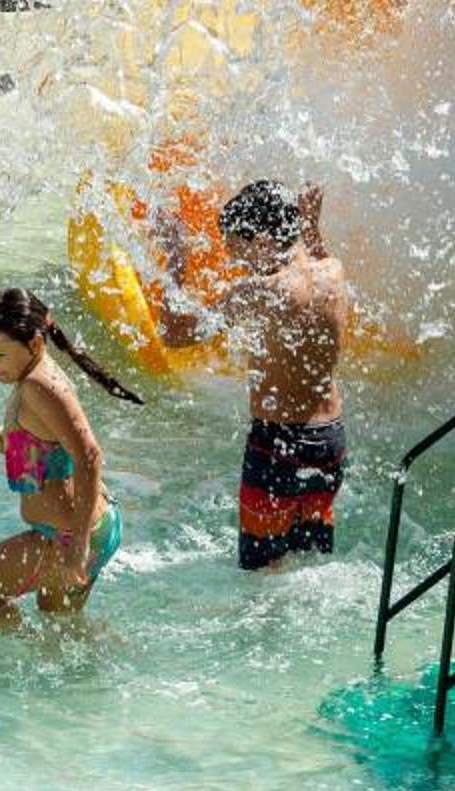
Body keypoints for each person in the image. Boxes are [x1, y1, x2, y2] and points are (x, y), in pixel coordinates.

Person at [149, 179, 353, 571]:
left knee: (261, 574)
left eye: (236, 249)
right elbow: (312, 256)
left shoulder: (261, 292)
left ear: (261, 240)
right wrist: (310, 225)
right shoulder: (333, 271)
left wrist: (175, 257)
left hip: (278, 446)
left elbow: (174, 334)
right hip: (330, 441)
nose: (234, 261)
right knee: (309, 564)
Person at [0, 288, 144, 627]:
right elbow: (26, 452)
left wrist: (78, 546)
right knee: (60, 632)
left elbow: (90, 456)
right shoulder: (32, 379)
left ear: (35, 343)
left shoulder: (38, 387)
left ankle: (20, 649)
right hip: (83, 530)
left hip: (69, 537)